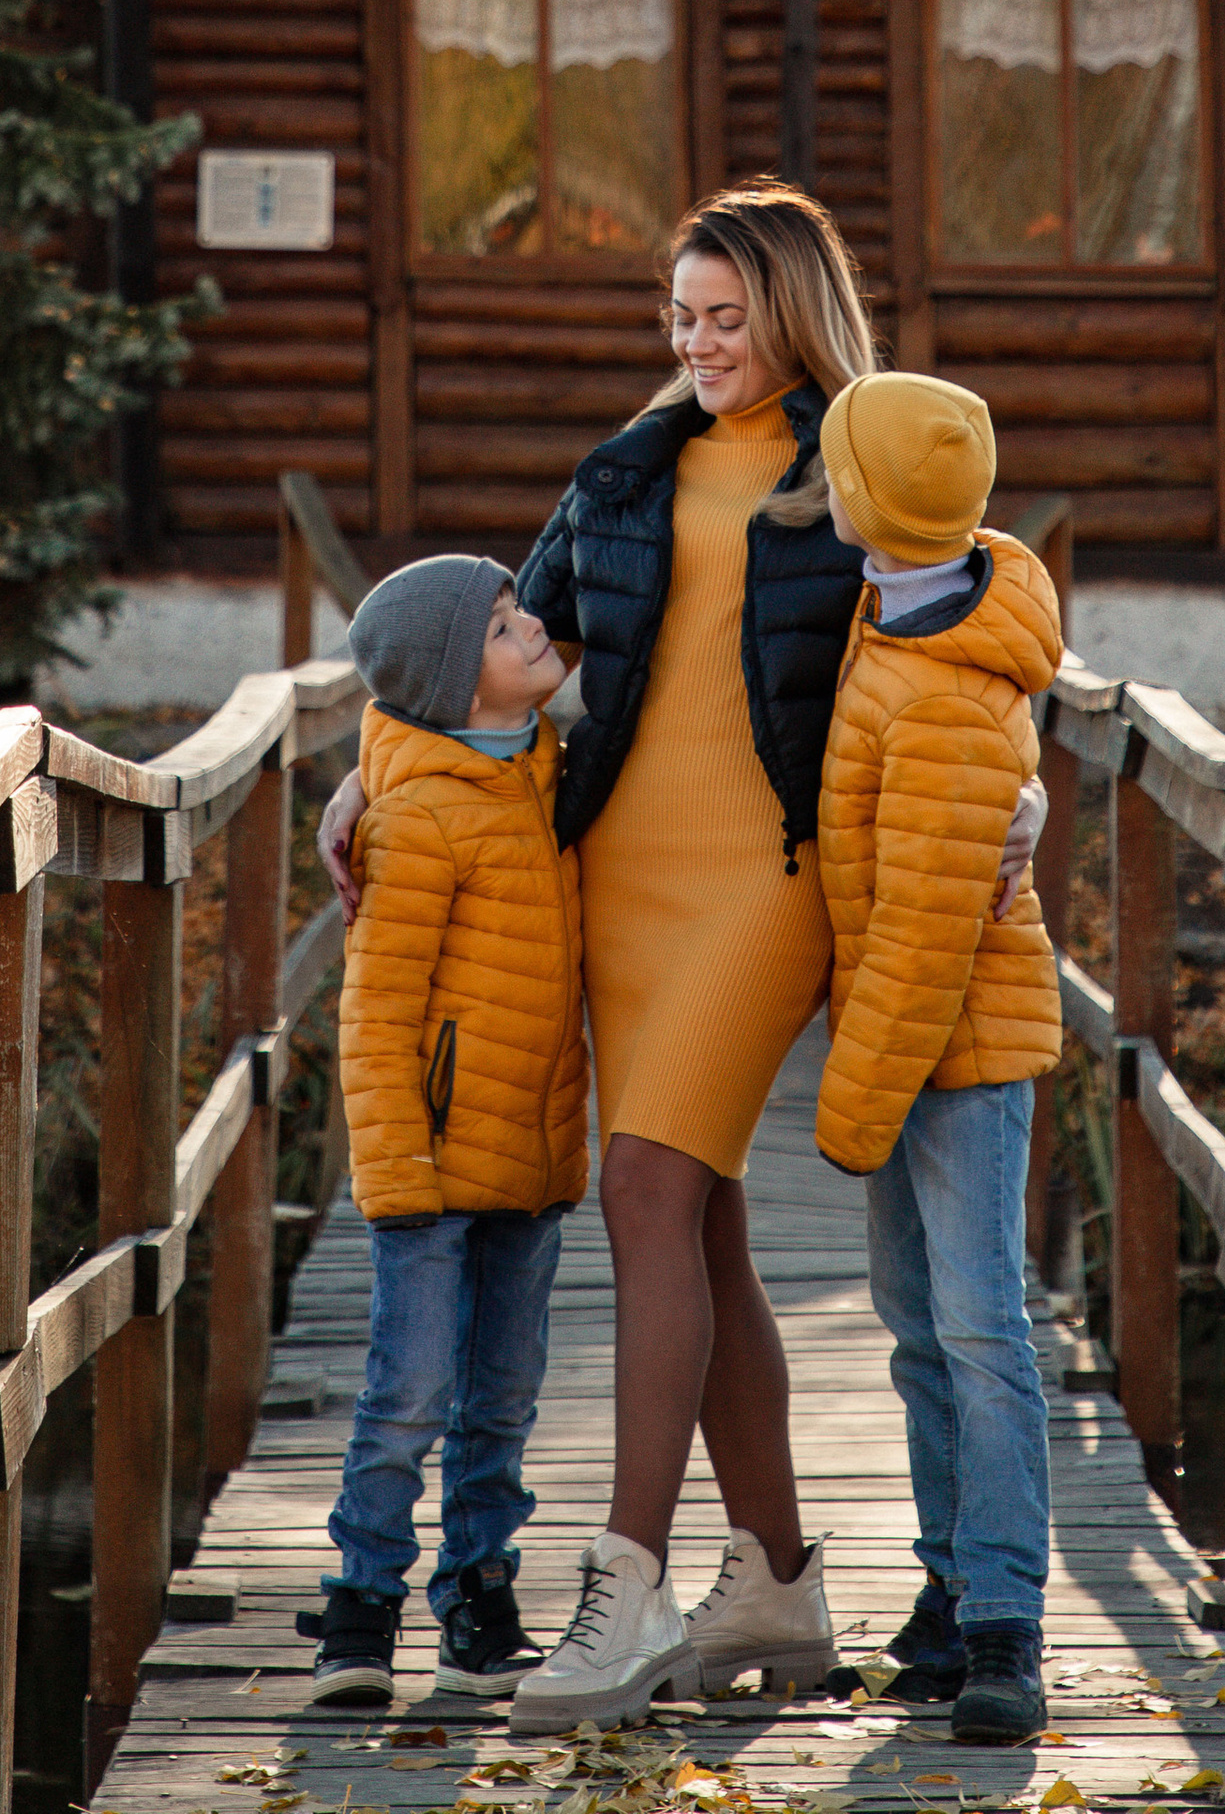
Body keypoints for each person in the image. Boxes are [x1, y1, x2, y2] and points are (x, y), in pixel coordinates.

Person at [323, 179, 878, 1731]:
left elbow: (964, 632)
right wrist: (372, 768)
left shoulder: (862, 455)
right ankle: (774, 1578)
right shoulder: (629, 471)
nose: (697, 343)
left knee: (642, 1184)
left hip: (771, 880)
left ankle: (625, 1589)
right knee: (701, 1229)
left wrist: (1019, 782)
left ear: (788, 310)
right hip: (616, 878)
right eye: (681, 317)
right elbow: (486, 641)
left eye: (724, 316)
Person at [812, 369, 1064, 1748]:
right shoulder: (905, 604)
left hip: (947, 1052)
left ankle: (1007, 1625)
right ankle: (949, 1580)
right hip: (906, 1040)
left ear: (865, 502)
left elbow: (922, 938)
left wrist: (852, 1106)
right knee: (920, 1333)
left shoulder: (944, 691)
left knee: (977, 1328)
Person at [311, 555, 588, 1708]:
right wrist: (394, 1166)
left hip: (532, 1146)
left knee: (504, 1395)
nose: (532, 626)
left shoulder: (550, 772)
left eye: (520, 609)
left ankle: (478, 1602)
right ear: (447, 679)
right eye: (503, 623)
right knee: (409, 1392)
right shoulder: (419, 815)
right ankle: (361, 1610)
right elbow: (374, 1007)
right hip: (429, 1156)